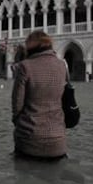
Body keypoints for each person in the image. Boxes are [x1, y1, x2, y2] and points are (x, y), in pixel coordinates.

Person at [11, 31, 67, 160]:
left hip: (29, 140)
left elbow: (17, 103)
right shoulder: (62, 65)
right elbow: (64, 99)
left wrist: (18, 123)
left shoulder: (25, 66)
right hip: (58, 142)